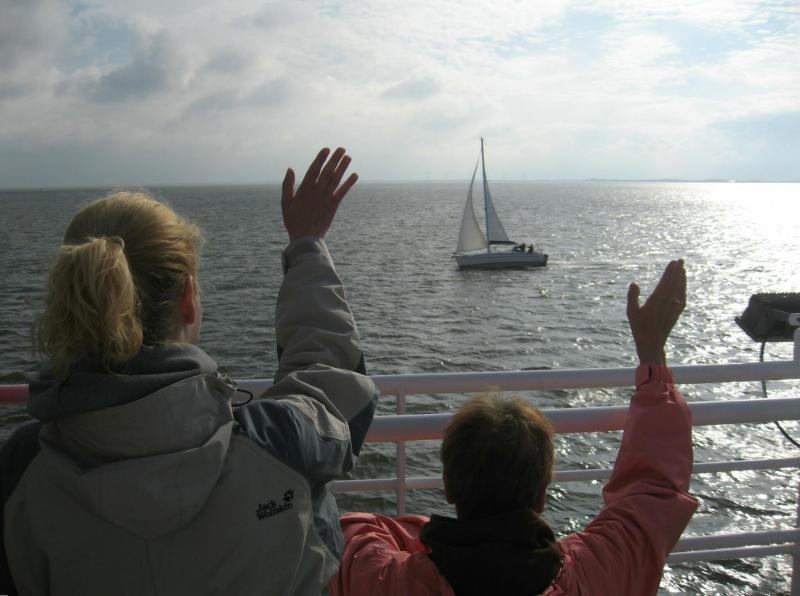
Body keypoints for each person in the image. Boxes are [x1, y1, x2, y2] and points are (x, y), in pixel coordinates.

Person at [0, 147, 378, 595]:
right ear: (188, 299)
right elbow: (333, 380)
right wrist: (307, 244)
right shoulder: (279, 446)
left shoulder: (23, 470)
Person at [330, 259, 697, 596]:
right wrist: (652, 355)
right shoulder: (597, 573)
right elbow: (653, 489)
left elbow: (350, 531)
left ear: (448, 486)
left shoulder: (388, 581)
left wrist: (430, 536)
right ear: (541, 496)